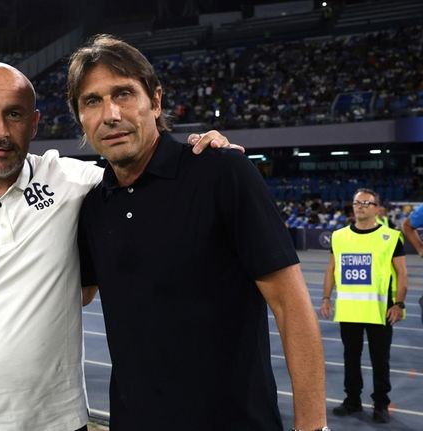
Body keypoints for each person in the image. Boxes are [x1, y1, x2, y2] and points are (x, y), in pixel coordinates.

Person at [0, 62, 236, 431]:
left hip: (60, 423)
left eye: (13, 114)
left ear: (34, 123)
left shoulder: (73, 182)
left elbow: (147, 174)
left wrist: (205, 155)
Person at [69, 35, 327, 430]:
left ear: (155, 101)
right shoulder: (92, 205)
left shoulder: (221, 172)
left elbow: (291, 307)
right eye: (92, 101)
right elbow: (77, 292)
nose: (111, 114)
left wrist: (313, 428)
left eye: (124, 94)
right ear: (80, 118)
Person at [321, 188, 407, 424]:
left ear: (377, 208)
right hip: (349, 310)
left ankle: (381, 404)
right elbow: (331, 268)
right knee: (351, 357)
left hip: (380, 311)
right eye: (357, 203)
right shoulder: (339, 236)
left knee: (380, 359)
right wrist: (326, 298)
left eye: (366, 203)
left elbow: (402, 273)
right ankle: (352, 400)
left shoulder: (390, 237)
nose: (360, 206)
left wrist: (399, 304)